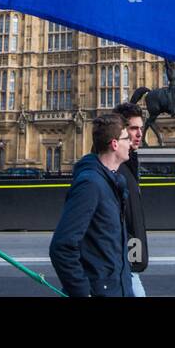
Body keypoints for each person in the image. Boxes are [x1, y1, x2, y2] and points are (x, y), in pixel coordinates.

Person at [49, 113, 134, 297]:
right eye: (127, 138)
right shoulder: (91, 184)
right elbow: (62, 246)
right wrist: (82, 293)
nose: (131, 143)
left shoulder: (114, 182)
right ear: (114, 144)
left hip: (118, 288)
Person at [114, 102, 149, 296]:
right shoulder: (110, 170)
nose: (139, 134)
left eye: (141, 128)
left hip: (129, 262)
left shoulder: (129, 163)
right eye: (133, 128)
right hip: (120, 266)